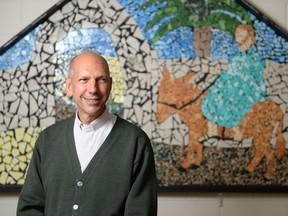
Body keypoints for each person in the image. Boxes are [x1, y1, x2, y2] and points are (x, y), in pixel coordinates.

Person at [17, 52, 158, 216]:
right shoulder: (47, 140)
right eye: (84, 80)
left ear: (110, 85)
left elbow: (141, 212)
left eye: (101, 80)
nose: (93, 89)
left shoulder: (135, 142)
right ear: (69, 86)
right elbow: (29, 209)